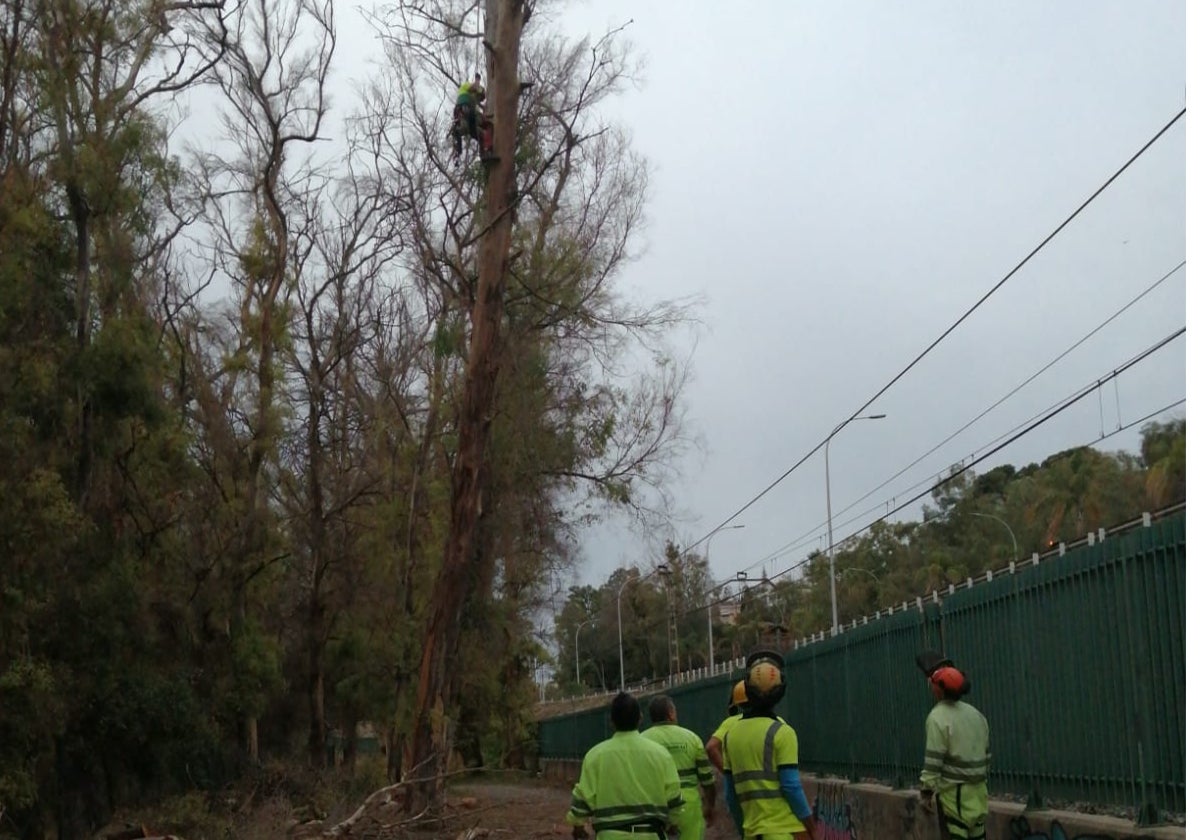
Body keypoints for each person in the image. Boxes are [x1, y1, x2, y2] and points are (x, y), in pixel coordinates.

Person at [722, 650, 820, 839]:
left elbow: (730, 795)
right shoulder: (782, 733)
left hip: (752, 832)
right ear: (780, 692)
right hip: (784, 831)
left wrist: (745, 829)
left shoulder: (730, 736)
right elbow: (791, 786)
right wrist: (812, 827)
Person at [566, 692, 686, 839]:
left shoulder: (595, 756)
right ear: (640, 718)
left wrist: (578, 826)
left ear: (611, 722)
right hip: (651, 834)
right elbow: (674, 798)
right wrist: (673, 824)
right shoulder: (661, 754)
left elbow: (582, 801)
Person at [918, 662, 990, 840]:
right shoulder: (976, 715)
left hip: (954, 795)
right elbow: (986, 754)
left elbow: (934, 761)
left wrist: (927, 792)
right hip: (979, 792)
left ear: (939, 689)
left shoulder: (937, 717)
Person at [642, 695, 717, 840]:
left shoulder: (641, 741)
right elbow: (707, 780)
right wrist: (710, 806)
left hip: (652, 807)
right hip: (687, 806)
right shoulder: (692, 738)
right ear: (671, 713)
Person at [705, 679, 748, 774]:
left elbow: (711, 747)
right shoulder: (776, 722)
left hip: (739, 785)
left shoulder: (731, 723)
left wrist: (727, 773)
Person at [452, 72, 487, 162]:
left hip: (468, 115)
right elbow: (474, 87)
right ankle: (457, 152)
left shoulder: (473, 103)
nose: (479, 99)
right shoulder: (466, 86)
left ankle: (485, 150)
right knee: (462, 128)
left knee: (477, 133)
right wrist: (478, 81)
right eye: (479, 96)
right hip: (463, 109)